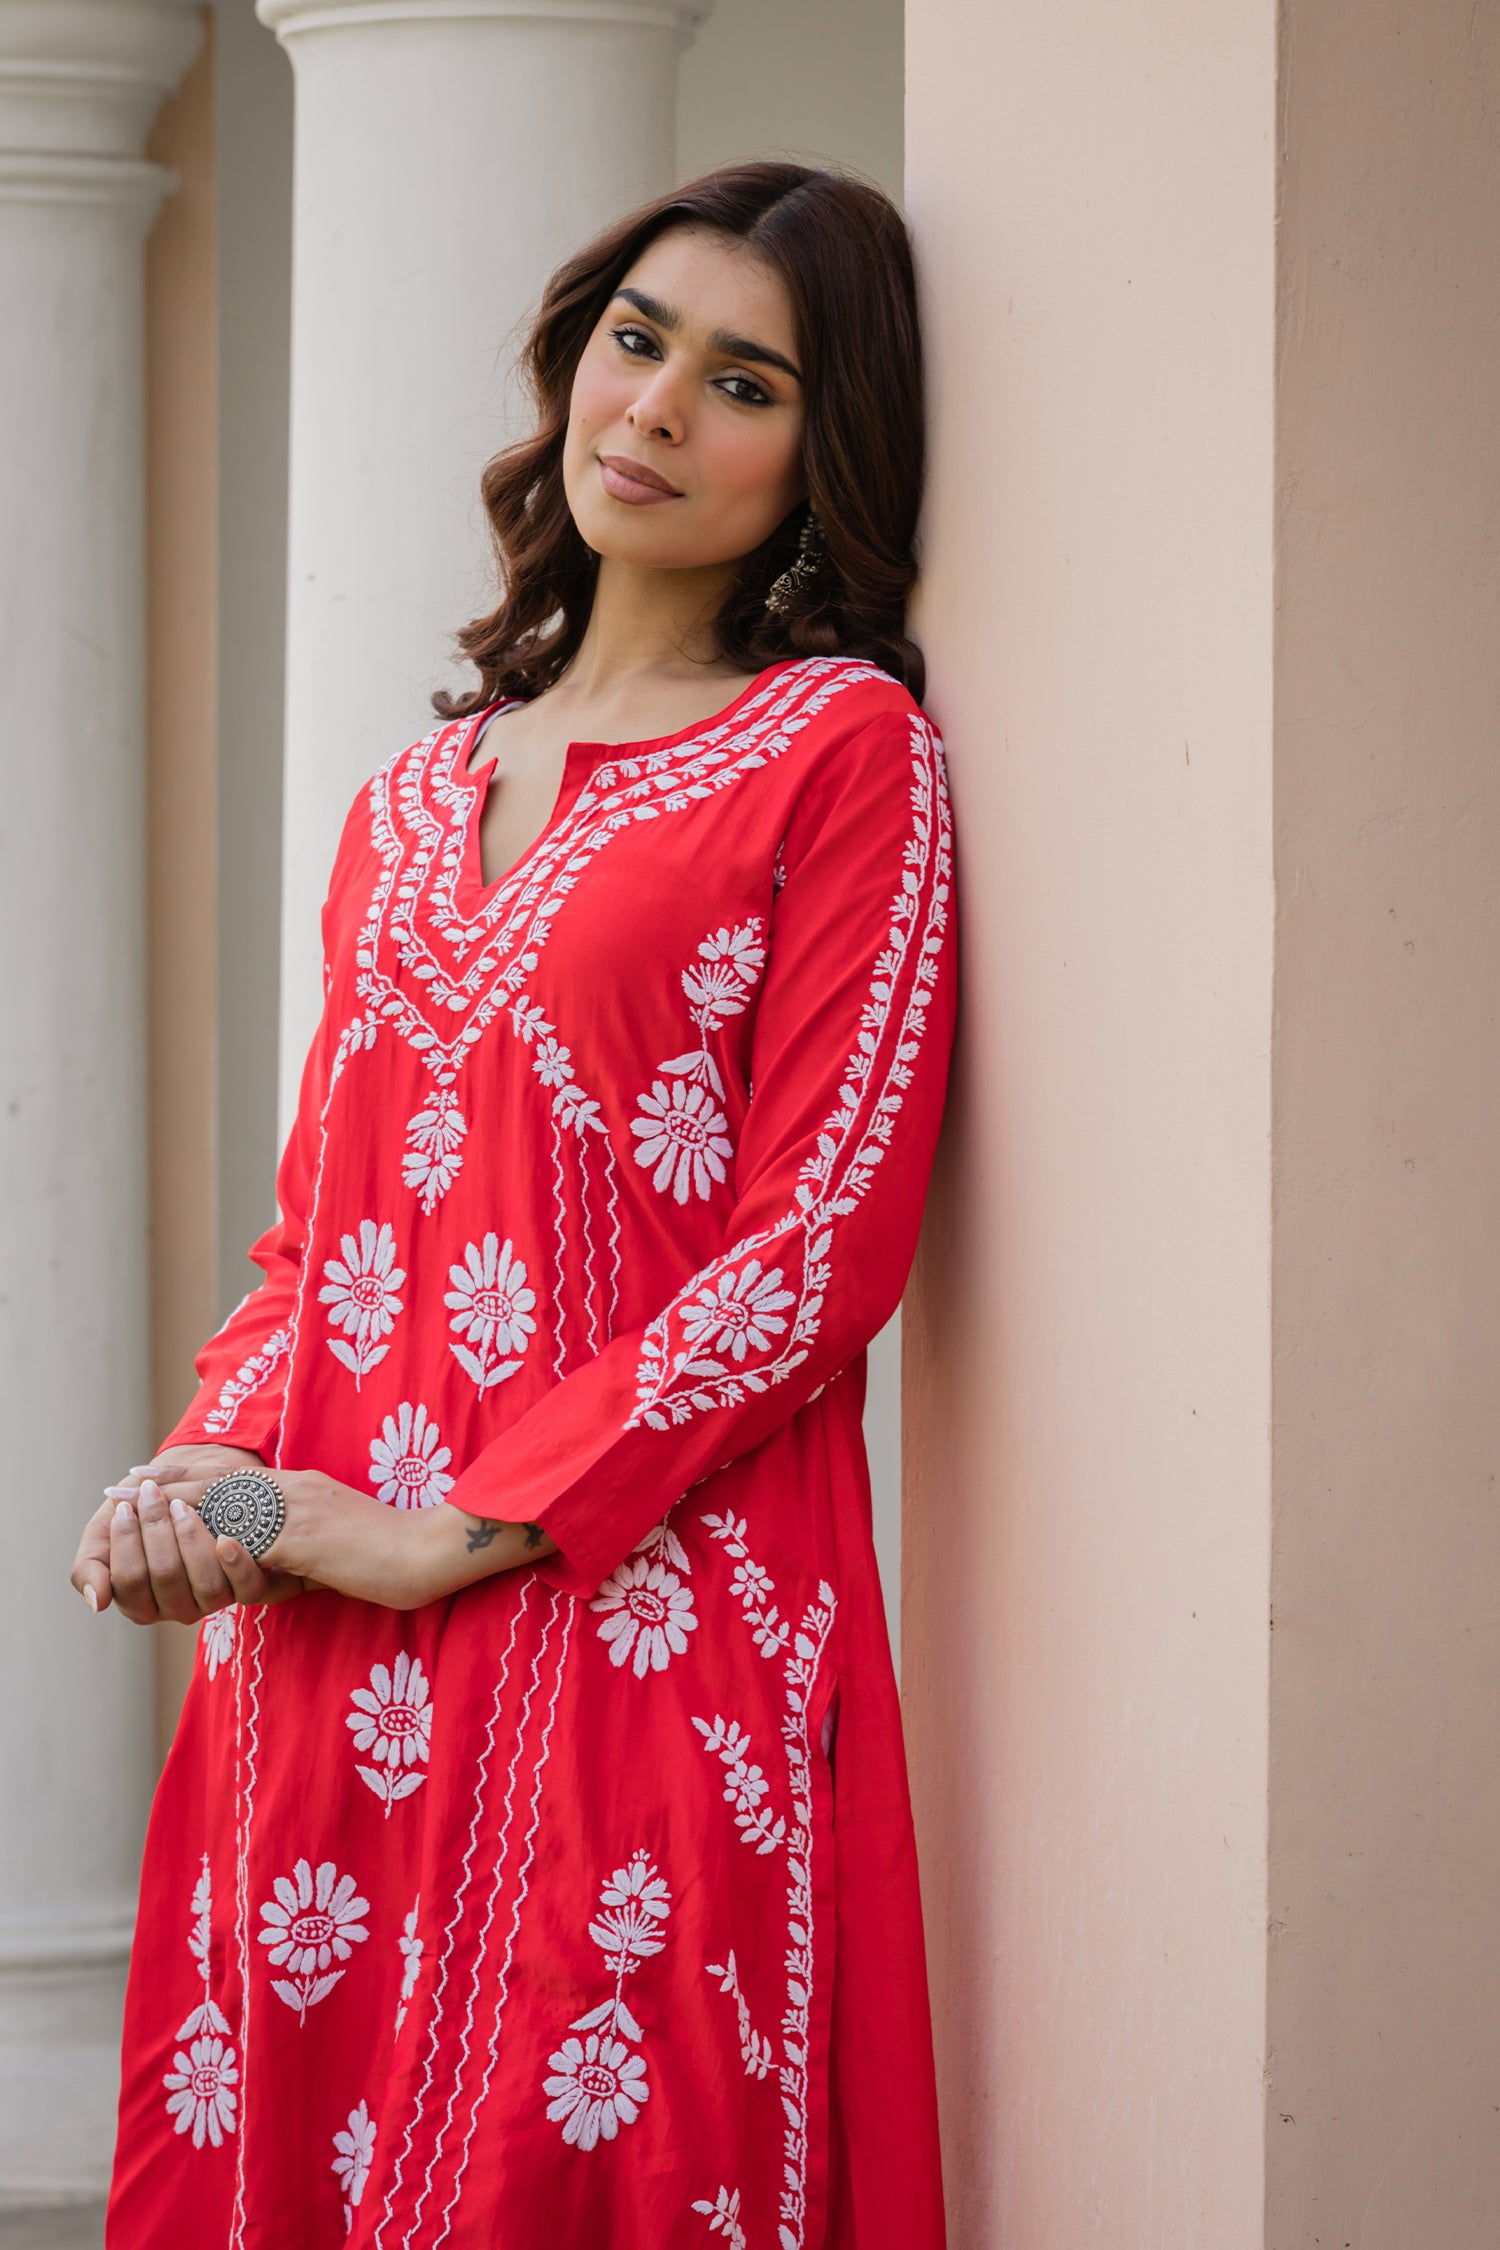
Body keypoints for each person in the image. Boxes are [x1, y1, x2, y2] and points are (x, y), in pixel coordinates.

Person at [75, 160, 956, 2249]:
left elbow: (816, 1248)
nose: (656, 411)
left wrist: (452, 1531)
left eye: (747, 384)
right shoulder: (412, 797)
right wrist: (210, 1462)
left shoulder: (836, 751)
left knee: (578, 2158)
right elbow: (326, 1236)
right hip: (327, 1651)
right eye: (638, 344)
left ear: (824, 454)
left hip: (631, 1609)